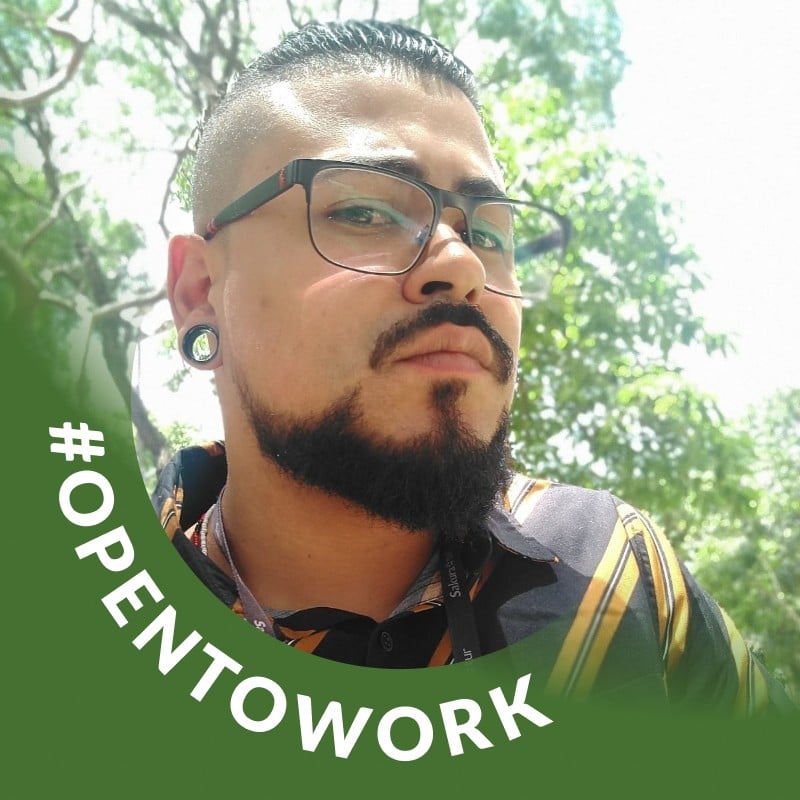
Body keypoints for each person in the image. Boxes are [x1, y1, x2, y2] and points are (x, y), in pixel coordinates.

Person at [153, 18, 793, 715]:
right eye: (364, 212)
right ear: (199, 292)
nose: (463, 265)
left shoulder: (614, 575)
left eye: (487, 233)